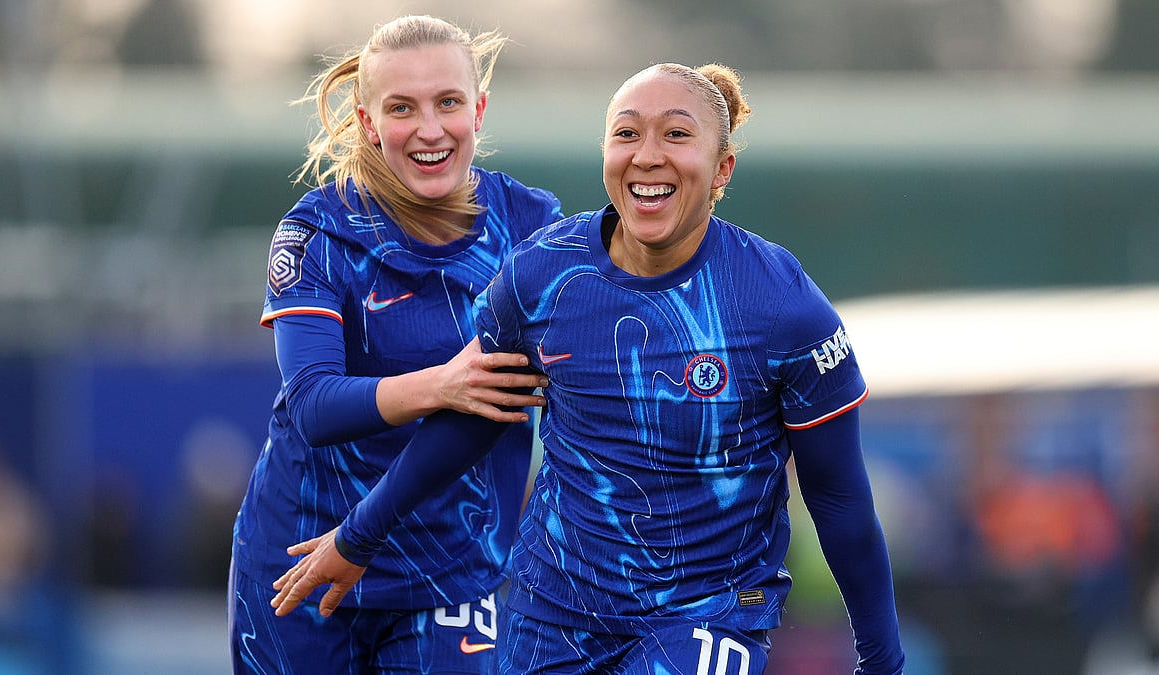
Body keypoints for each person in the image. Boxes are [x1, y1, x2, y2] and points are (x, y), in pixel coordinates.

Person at [270, 62, 904, 674]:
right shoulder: (538, 276)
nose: (648, 155)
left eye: (677, 135)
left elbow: (838, 494)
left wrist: (882, 661)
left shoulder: (781, 303)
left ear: (721, 170)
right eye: (627, 133)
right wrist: (358, 537)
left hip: (707, 612)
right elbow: (476, 419)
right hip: (552, 610)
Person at [228, 15, 562, 674]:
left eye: (448, 103)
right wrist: (443, 383)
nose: (430, 129)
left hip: (453, 567)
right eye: (402, 107)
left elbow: (500, 406)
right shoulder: (316, 234)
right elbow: (315, 406)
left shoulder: (532, 228)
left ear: (479, 109)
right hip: (302, 559)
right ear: (368, 121)